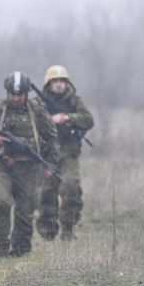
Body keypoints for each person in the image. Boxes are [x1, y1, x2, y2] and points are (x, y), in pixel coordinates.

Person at [0, 71, 59, 258]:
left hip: (29, 167)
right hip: (2, 165)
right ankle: (1, 246)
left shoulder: (37, 110)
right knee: (0, 200)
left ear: (26, 94)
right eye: (12, 94)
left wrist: (51, 164)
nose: (15, 98)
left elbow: (52, 138)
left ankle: (21, 248)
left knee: (26, 208)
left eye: (19, 94)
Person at [35, 65, 94, 241]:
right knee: (46, 193)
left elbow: (88, 120)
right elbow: (32, 123)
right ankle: (47, 234)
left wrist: (69, 118)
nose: (59, 84)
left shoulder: (74, 101)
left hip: (69, 153)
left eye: (62, 81)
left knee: (71, 187)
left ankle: (68, 229)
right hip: (47, 155)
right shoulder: (39, 103)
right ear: (49, 84)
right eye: (55, 81)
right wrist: (51, 121)